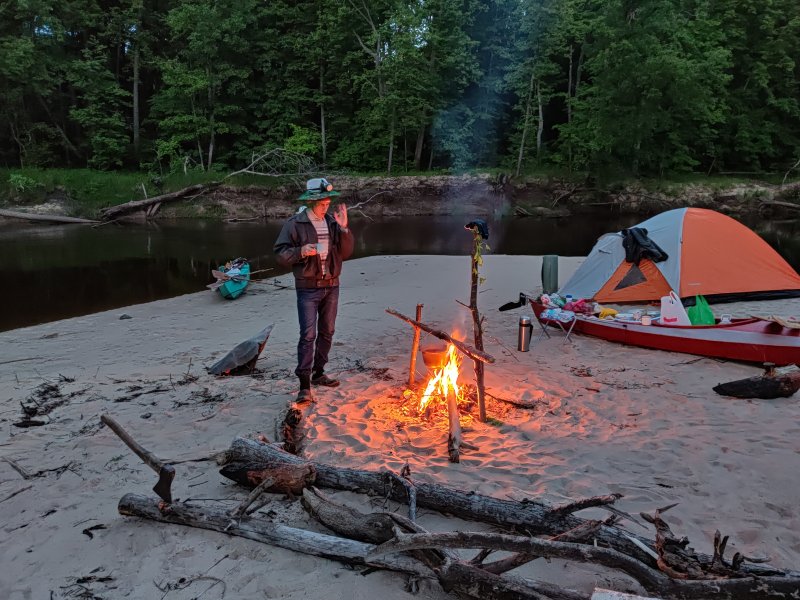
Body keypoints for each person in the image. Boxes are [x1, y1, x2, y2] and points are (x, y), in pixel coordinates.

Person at [274, 178, 354, 402]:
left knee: (327, 331)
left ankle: (319, 373)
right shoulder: (294, 224)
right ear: (310, 202)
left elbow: (345, 253)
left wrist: (345, 228)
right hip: (308, 288)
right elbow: (280, 254)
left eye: (328, 203)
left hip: (332, 285)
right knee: (308, 335)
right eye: (322, 204)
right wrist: (301, 251)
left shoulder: (331, 222)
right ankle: (304, 384)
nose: (325, 207)